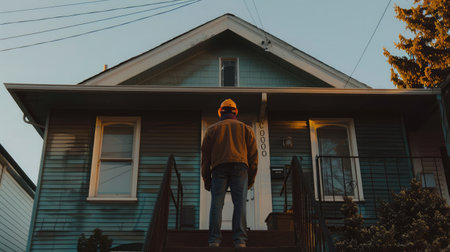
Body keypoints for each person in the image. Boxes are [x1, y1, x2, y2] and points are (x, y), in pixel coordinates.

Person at [201, 98, 258, 248]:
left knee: (216, 204)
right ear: (236, 112)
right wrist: (250, 180)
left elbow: (205, 159)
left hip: (218, 168)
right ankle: (239, 240)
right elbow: (253, 157)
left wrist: (207, 180)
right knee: (240, 204)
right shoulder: (246, 129)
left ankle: (214, 240)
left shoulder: (211, 130)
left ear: (220, 112)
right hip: (240, 167)